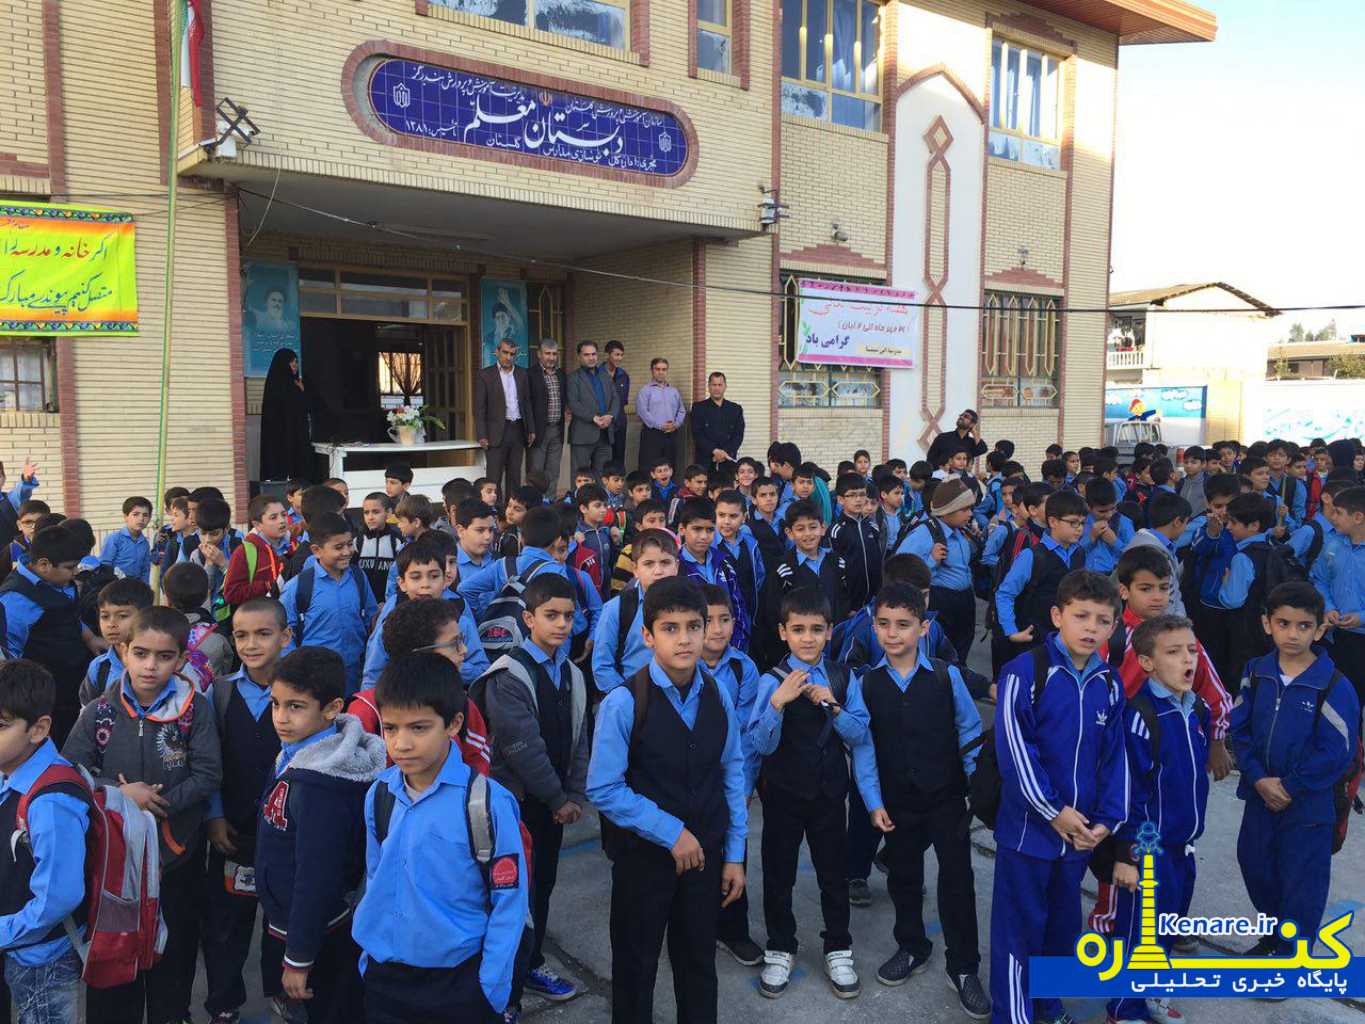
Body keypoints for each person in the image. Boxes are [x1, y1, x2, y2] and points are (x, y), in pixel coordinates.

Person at [587, 577, 748, 1024]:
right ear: (647, 635)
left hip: (704, 860)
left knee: (698, 965)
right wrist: (671, 831)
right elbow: (603, 787)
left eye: (694, 626)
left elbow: (732, 771)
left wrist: (735, 854)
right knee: (635, 969)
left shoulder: (717, 693)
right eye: (670, 628)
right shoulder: (624, 702)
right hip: (643, 862)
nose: (684, 639)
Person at [64, 607, 223, 1024]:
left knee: (173, 952)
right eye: (141, 653)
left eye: (164, 656)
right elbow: (72, 773)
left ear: (182, 659)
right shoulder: (98, 711)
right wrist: (121, 795)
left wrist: (155, 803)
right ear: (123, 651)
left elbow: (208, 774)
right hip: (114, 862)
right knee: (115, 955)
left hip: (176, 855)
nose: (151, 665)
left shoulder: (194, 710)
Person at [352, 654, 529, 1024]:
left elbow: (509, 902)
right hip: (385, 979)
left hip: (457, 984)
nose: (401, 744)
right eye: (390, 728)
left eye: (419, 728)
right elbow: (375, 877)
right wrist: (369, 957)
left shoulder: (485, 803)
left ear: (454, 723)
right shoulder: (379, 794)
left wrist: (490, 986)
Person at [989, 571, 1129, 1024]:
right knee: (1019, 930)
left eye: (1102, 620)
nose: (1091, 627)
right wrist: (1053, 811)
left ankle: (1048, 1006)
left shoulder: (1109, 682)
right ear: (1057, 616)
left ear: (1114, 626)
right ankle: (1014, 1015)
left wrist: (1106, 821)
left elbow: (1115, 758)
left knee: (1062, 929)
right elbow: (1016, 753)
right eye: (1081, 616)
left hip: (1078, 837)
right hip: (1028, 834)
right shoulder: (1024, 672)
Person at [850, 583, 989, 1019]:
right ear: (874, 627)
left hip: (947, 799)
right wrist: (873, 801)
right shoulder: (867, 683)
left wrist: (975, 785)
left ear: (923, 628)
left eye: (903, 624)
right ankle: (912, 946)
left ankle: (963, 967)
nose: (893, 633)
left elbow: (969, 731)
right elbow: (863, 748)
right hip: (897, 802)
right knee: (904, 878)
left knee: (957, 881)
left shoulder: (947, 677)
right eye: (884, 624)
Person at [747, 587, 869, 1000]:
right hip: (783, 794)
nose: (808, 638)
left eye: (817, 629)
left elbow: (859, 732)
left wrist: (834, 707)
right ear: (783, 632)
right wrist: (777, 705)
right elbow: (760, 745)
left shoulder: (842, 677)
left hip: (829, 794)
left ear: (830, 631)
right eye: (798, 629)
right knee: (778, 872)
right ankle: (781, 946)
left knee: (833, 872)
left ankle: (838, 946)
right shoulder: (771, 680)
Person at [475, 573, 590, 1005]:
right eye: (551, 615)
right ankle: (507, 984)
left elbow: (580, 739)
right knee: (512, 892)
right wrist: (559, 798)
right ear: (528, 619)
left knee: (542, 885)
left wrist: (574, 796)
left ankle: (531, 962)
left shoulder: (572, 673)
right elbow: (522, 747)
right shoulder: (509, 675)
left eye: (568, 616)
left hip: (554, 805)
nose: (561, 624)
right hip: (518, 805)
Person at [255, 646, 385, 1023]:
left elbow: (317, 878)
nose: (281, 717)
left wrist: (299, 958)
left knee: (324, 1010)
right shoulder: (295, 751)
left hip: (317, 933)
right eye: (276, 704)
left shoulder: (320, 786)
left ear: (332, 709)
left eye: (295, 706)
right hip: (292, 921)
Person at [1230, 582, 1359, 959]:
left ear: (1319, 630)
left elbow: (1337, 751)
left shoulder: (1333, 685)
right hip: (1260, 796)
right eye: (1283, 623)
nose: (1292, 634)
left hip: (1308, 805)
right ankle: (1273, 936)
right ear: (1267, 624)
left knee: (1302, 881)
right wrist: (1258, 778)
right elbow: (1240, 729)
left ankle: (1293, 953)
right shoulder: (1255, 673)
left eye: (1304, 626)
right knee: (1255, 864)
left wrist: (1290, 786)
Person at [201, 598, 292, 1024]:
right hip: (232, 831)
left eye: (263, 634)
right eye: (241, 635)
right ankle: (223, 1003)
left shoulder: (300, 691)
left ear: (285, 637)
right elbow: (210, 761)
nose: (251, 644)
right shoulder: (219, 693)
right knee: (225, 925)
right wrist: (214, 815)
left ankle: (283, 996)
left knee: (283, 921)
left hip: (285, 834)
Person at [0, 659, 90, 1024]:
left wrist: (3, 931)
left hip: (44, 958)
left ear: (39, 729)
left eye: (1, 726)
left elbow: (60, 897)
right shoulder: (11, 769)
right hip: (19, 941)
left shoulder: (51, 801)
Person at [0, 524, 101, 746]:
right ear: (44, 565)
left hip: (73, 681)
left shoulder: (58, 580)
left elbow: (71, 616)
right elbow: (9, 653)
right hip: (47, 692)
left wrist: (90, 638)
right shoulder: (17, 599)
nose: (75, 572)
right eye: (70, 567)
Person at [279, 513, 379, 696]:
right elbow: (284, 636)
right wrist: (297, 675)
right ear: (317, 551)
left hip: (354, 679)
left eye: (349, 544)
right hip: (313, 682)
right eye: (338, 547)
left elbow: (371, 622)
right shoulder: (297, 587)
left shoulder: (359, 578)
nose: (347, 552)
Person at [752, 500, 849, 671]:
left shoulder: (836, 563)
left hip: (831, 646)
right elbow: (773, 614)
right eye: (800, 529)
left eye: (813, 527)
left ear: (823, 528)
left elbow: (842, 601)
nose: (808, 534)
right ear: (789, 533)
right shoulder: (783, 571)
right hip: (797, 651)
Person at [896, 479, 979, 662]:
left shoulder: (959, 531)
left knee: (961, 652)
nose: (970, 514)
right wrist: (931, 561)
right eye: (964, 509)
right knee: (941, 656)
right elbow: (900, 568)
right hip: (941, 602)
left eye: (970, 508)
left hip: (964, 601)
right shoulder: (925, 533)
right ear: (948, 510)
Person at [591, 529, 679, 693]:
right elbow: (602, 666)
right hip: (633, 696)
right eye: (649, 564)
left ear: (676, 567)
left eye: (665, 563)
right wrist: (628, 699)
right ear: (635, 569)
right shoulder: (616, 608)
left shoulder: (690, 606)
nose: (658, 571)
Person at [79, 577, 153, 707]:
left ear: (145, 616)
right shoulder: (100, 667)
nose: (111, 624)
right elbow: (87, 711)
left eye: (123, 616)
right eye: (105, 616)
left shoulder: (158, 664)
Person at [474, 340, 534, 497]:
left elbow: (527, 402)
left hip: (518, 429)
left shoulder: (522, 373)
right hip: (495, 432)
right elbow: (480, 408)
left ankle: (512, 507)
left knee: (515, 475)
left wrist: (531, 429)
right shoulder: (485, 375)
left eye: (512, 354)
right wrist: (482, 434)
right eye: (505, 352)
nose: (508, 357)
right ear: (497, 352)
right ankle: (496, 508)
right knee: (494, 476)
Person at [1123, 490, 1192, 616]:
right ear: (1177, 522)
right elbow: (1168, 600)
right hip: (1160, 622)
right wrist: (1177, 624)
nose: (1186, 528)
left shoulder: (1146, 542)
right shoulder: (1151, 553)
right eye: (1186, 522)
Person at [223, 493, 291, 612]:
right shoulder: (244, 552)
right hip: (260, 616)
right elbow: (231, 593)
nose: (282, 521)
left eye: (284, 515)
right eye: (273, 517)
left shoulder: (295, 545)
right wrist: (268, 585)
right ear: (257, 525)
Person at [567, 341, 621, 475]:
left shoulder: (605, 375)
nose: (591, 358)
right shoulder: (573, 378)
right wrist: (593, 418)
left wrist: (610, 415)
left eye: (593, 354)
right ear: (579, 357)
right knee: (581, 476)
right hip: (583, 435)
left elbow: (615, 398)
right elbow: (573, 404)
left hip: (605, 435)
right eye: (586, 355)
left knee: (603, 476)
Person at [260, 349, 314, 483]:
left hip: (293, 434)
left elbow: (306, 408)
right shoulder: (278, 384)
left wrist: (303, 391)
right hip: (281, 435)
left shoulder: (295, 383)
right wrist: (301, 393)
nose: (295, 365)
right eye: (292, 362)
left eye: (296, 362)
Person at [830, 473, 881, 613]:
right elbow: (834, 572)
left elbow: (877, 561)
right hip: (850, 606)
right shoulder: (836, 531)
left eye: (862, 494)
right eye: (852, 495)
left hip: (874, 601)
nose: (858, 500)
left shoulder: (872, 526)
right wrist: (846, 606)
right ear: (840, 499)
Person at [527, 338, 568, 499]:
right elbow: (526, 403)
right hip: (538, 431)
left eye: (554, 354)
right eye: (547, 353)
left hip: (557, 429)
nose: (551, 357)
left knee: (553, 471)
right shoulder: (530, 374)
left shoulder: (561, 374)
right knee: (536, 472)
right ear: (539, 354)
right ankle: (534, 503)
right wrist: (530, 429)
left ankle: (549, 502)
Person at [636, 357, 686, 477]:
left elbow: (681, 410)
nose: (660, 372)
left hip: (671, 434)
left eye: (664, 369)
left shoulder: (674, 391)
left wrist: (676, 424)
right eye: (657, 369)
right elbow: (643, 412)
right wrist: (660, 425)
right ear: (652, 370)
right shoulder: (645, 391)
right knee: (650, 467)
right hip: (652, 434)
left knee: (670, 466)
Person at [690, 371, 745, 475]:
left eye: (720, 385)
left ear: (725, 386)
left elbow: (738, 434)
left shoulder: (735, 409)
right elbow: (697, 434)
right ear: (709, 386)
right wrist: (714, 451)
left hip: (728, 459)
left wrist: (724, 452)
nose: (717, 388)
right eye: (714, 385)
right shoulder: (698, 408)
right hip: (705, 461)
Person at [355, 493, 402, 603]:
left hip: (389, 602)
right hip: (362, 602)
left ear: (388, 513)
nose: (370, 517)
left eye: (376, 512)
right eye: (366, 512)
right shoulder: (357, 541)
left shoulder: (397, 541)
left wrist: (390, 601)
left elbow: (401, 575)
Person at [98, 496, 153, 583]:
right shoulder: (114, 539)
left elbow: (145, 570)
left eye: (145, 515)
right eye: (136, 514)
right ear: (125, 517)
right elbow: (104, 566)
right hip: (115, 585)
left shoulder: (145, 543)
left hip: (136, 586)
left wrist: (145, 587)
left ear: (149, 518)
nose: (141, 519)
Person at [605, 339, 631, 468]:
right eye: (616, 354)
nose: (619, 358)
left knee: (619, 460)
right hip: (602, 424)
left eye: (621, 355)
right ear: (608, 354)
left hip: (619, 423)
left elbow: (623, 400)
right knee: (603, 460)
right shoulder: (596, 373)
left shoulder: (624, 376)